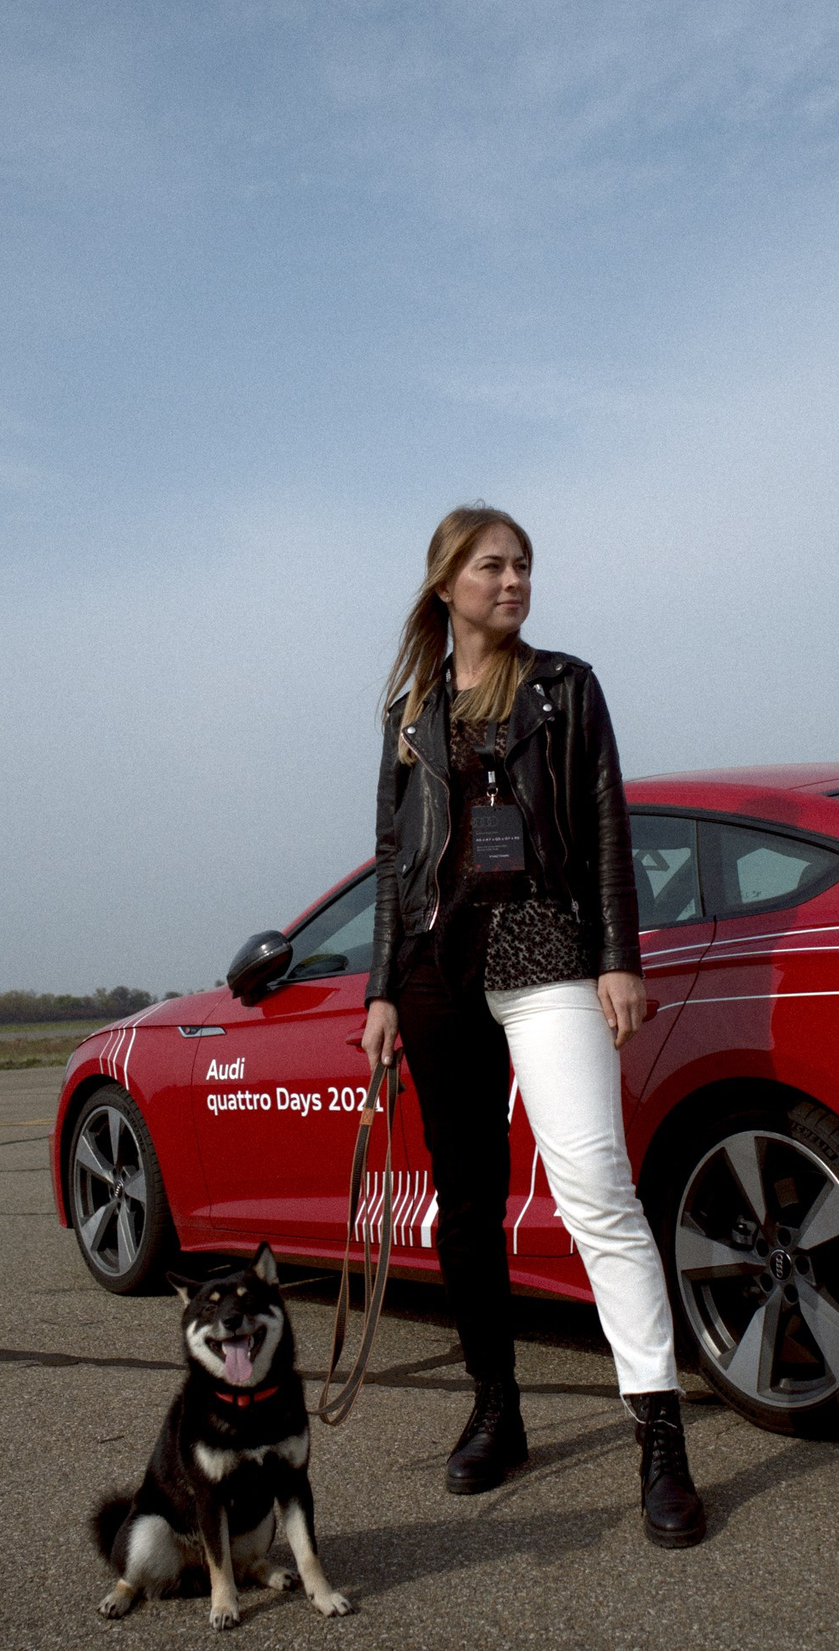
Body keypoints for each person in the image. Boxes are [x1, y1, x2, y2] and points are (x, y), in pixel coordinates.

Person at [360, 504, 705, 1549]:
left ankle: (659, 1437)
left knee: (594, 1184)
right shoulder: (409, 709)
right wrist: (380, 987)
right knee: (460, 1202)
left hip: (543, 949)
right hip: (434, 968)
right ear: (445, 584)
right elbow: (391, 857)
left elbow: (605, 821)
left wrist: (618, 956)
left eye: (523, 567)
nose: (514, 582)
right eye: (493, 567)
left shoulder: (564, 685)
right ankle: (496, 1409)